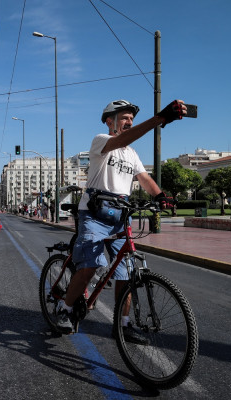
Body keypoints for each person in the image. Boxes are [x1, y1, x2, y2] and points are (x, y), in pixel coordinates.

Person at [56, 99, 186, 344]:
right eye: (124, 118)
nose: (129, 122)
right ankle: (65, 308)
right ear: (109, 121)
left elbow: (143, 177)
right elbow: (121, 140)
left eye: (131, 119)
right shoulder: (101, 141)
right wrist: (158, 119)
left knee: (126, 272)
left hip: (119, 215)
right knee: (91, 265)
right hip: (94, 214)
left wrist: (160, 195)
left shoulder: (132, 154)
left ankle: (122, 325)